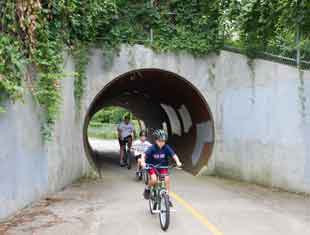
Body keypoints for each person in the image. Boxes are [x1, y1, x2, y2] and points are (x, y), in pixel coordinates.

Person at [141, 129, 182, 207]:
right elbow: (144, 155)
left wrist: (178, 162)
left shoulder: (166, 147)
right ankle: (147, 189)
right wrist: (143, 162)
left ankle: (167, 198)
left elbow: (174, 155)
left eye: (163, 141)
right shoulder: (152, 148)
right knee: (154, 179)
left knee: (167, 179)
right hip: (152, 166)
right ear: (155, 140)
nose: (161, 143)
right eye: (159, 141)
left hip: (163, 166)